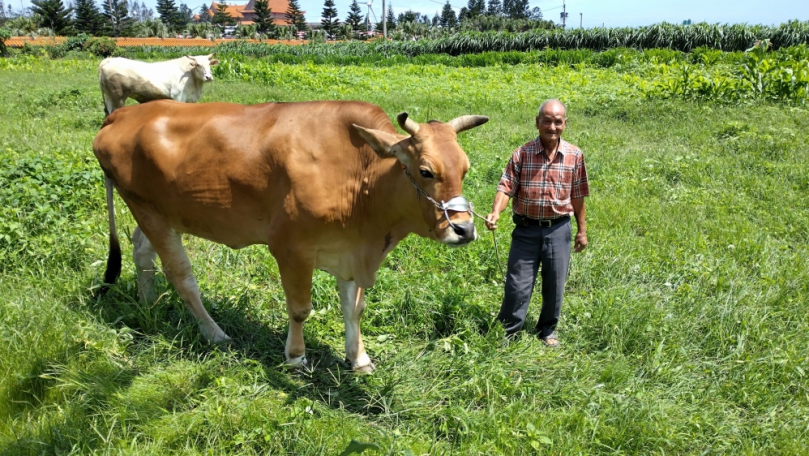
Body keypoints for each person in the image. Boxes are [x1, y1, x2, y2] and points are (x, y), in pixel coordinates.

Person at [485, 99, 589, 347]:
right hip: (526, 229)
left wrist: (582, 231)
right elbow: (505, 187)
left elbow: (578, 195)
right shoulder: (522, 154)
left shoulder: (575, 156)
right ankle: (509, 332)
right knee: (517, 285)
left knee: (555, 284)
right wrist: (495, 212)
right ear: (537, 122)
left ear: (565, 123)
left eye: (557, 121)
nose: (552, 126)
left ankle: (548, 331)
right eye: (547, 120)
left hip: (559, 229)